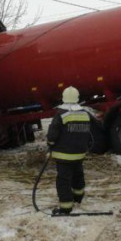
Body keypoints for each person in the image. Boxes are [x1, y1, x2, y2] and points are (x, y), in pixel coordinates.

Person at [46, 86, 100, 215]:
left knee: (63, 181)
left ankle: (66, 207)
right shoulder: (84, 113)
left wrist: (50, 144)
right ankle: (78, 198)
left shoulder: (61, 114)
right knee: (78, 176)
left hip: (63, 156)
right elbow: (91, 132)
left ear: (64, 98)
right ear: (77, 98)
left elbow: (52, 134)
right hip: (79, 154)